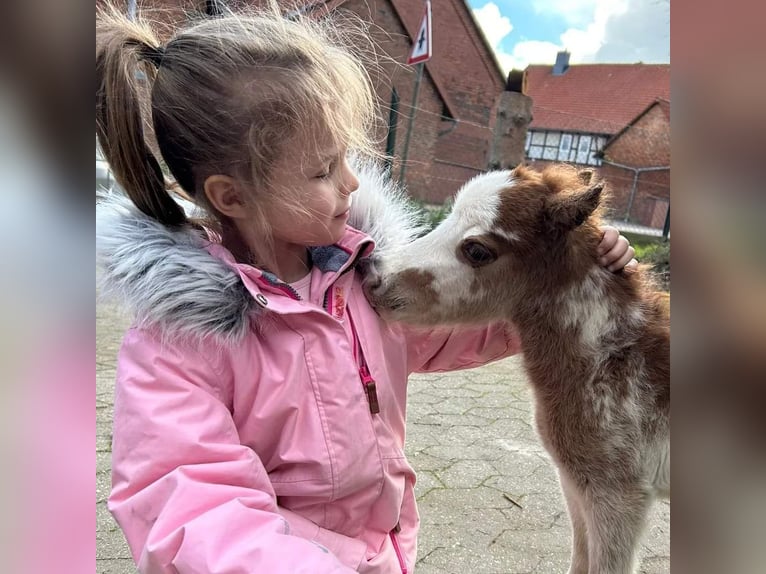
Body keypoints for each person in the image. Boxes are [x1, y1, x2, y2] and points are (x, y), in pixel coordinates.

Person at [96, 4, 637, 573]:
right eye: (323, 170)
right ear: (232, 196)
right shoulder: (178, 342)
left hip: (381, 554)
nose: (351, 182)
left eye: (346, 159)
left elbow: (450, 331)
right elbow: (189, 505)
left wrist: (566, 290)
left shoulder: (356, 278)